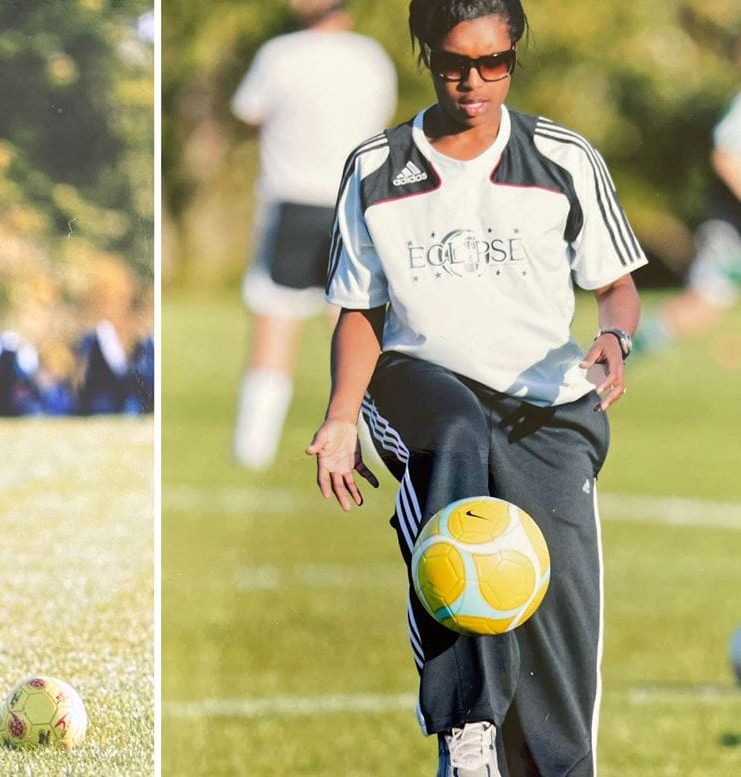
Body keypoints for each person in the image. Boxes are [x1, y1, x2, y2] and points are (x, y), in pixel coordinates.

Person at [305, 1, 645, 774]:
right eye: (456, 62)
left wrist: (614, 336)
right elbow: (358, 309)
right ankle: (467, 729)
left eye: (494, 62)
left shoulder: (564, 158)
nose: (474, 81)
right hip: (420, 383)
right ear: (426, 53)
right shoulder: (374, 168)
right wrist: (338, 416)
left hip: (547, 407)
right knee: (454, 435)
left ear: (514, 56)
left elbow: (617, 285)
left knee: (561, 632)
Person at [230, 0, 396, 469]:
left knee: (275, 320)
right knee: (354, 321)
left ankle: (253, 446)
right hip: (353, 206)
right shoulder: (372, 58)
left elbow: (249, 113)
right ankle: (377, 440)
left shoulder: (279, 55)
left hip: (292, 203)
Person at [634, 86, 741, 355]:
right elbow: (725, 155)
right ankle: (618, 356)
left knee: (704, 308)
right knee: (701, 307)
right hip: (732, 229)